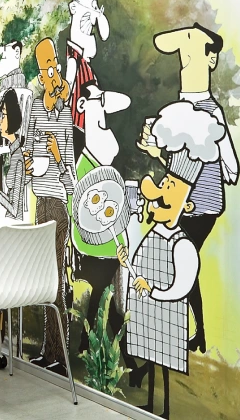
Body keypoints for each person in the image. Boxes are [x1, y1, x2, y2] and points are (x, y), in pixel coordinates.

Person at [138, 23, 239, 353]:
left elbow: (232, 169)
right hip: (182, 202)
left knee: (181, 259)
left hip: (203, 205)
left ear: (211, 60)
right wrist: (158, 151)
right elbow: (178, 166)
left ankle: (189, 332)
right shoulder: (179, 111)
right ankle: (194, 333)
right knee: (181, 261)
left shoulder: (211, 113)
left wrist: (211, 154)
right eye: (184, 55)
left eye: (194, 53)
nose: (186, 62)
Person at [121, 101, 224, 418]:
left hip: (166, 313)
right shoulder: (156, 234)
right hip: (151, 313)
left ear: (186, 208)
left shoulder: (182, 246)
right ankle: (152, 404)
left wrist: (153, 290)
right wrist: (126, 263)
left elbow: (182, 285)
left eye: (168, 188)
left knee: (164, 360)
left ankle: (165, 409)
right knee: (152, 354)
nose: (159, 192)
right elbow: (142, 265)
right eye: (163, 185)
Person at [68, 82, 133, 364]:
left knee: (102, 297)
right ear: (83, 106)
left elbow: (124, 101)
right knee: (103, 298)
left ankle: (93, 345)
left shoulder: (100, 161)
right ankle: (123, 355)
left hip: (109, 246)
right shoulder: (85, 165)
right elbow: (78, 208)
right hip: (95, 246)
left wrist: (101, 98)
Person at [26, 38, 75, 375]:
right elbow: (28, 147)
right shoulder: (35, 109)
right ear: (41, 74)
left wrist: (57, 157)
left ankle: (61, 355)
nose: (52, 71)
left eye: (54, 64)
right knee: (45, 280)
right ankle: (49, 350)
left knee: (56, 282)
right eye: (46, 67)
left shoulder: (65, 114)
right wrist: (30, 160)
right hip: (40, 203)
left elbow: (70, 180)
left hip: (57, 205)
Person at [65, 0, 109, 160]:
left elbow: (104, 34)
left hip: (89, 125)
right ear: (74, 8)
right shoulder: (74, 58)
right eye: (90, 6)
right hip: (77, 123)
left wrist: (97, 15)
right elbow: (68, 87)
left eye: (95, 6)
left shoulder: (86, 64)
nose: (93, 13)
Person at [0, 89, 31, 220]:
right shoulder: (14, 154)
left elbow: (15, 210)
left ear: (12, 119)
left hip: (14, 223)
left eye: (3, 115)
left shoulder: (18, 159)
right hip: (9, 220)